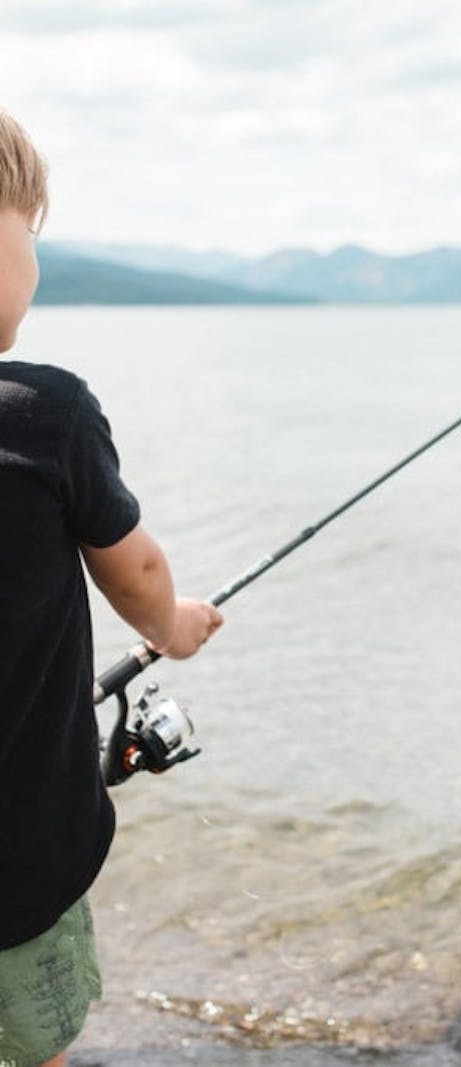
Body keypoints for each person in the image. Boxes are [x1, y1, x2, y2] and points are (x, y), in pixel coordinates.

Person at [0, 110, 223, 1067]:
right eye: (27, 228)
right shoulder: (42, 416)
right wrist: (172, 627)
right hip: (16, 872)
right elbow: (133, 570)